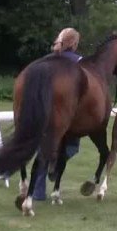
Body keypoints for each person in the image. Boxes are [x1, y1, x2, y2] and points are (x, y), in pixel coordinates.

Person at [32, 27, 82, 201]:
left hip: (44, 109)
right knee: (72, 146)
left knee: (42, 149)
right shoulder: (79, 62)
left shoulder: (47, 60)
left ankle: (38, 191)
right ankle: (56, 162)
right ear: (74, 44)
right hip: (68, 115)